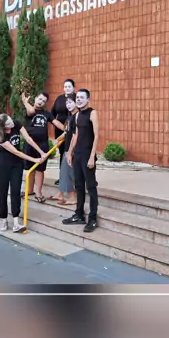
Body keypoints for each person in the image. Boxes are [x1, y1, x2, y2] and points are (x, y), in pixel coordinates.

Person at [0, 113, 47, 233]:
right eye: (8, 124)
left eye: (11, 120)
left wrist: (41, 152)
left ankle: (16, 223)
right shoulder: (0, 135)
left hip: (17, 164)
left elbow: (28, 139)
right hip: (2, 164)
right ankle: (3, 219)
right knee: (2, 192)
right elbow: (16, 152)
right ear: (3, 127)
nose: (11, 124)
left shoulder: (16, 123)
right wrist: (34, 160)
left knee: (16, 191)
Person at [62, 88, 99, 233]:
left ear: (88, 99)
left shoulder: (92, 113)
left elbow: (96, 135)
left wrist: (92, 156)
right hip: (77, 155)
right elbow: (75, 136)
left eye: (81, 97)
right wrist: (70, 153)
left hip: (87, 155)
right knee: (78, 185)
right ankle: (79, 214)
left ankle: (93, 218)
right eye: (77, 97)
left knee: (91, 186)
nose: (78, 99)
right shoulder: (77, 115)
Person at [21, 91, 65, 202]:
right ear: (35, 98)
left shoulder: (47, 114)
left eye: (44, 101)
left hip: (43, 144)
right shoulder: (28, 110)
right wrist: (25, 102)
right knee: (29, 168)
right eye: (40, 99)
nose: (41, 102)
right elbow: (31, 111)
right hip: (30, 144)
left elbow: (56, 123)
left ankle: (38, 192)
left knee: (40, 169)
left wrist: (67, 129)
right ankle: (29, 190)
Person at [48, 94, 77, 205]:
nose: (68, 105)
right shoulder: (69, 117)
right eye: (67, 103)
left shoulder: (77, 117)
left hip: (72, 150)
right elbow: (66, 132)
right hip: (67, 148)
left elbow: (75, 136)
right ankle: (60, 194)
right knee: (64, 172)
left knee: (70, 173)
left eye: (70, 102)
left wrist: (70, 152)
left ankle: (72, 197)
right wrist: (58, 139)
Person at [51, 79, 75, 185]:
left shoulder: (75, 98)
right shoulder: (59, 99)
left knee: (71, 152)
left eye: (69, 86)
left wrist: (67, 128)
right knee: (62, 153)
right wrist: (56, 124)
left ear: (73, 88)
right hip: (59, 129)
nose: (67, 88)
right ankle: (62, 176)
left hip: (71, 129)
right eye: (65, 86)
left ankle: (73, 177)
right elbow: (52, 114)